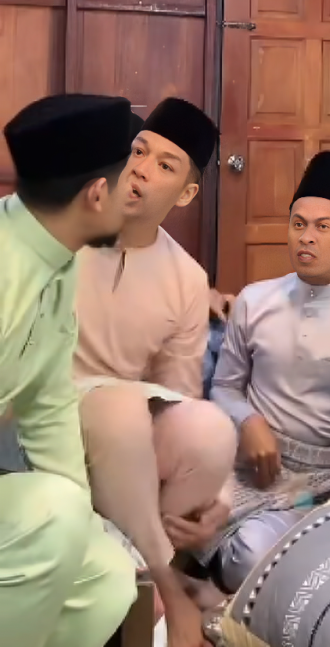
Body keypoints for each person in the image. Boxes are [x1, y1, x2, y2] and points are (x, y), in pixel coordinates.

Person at [73, 97, 237, 647]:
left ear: (186, 194)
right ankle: (160, 580)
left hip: (121, 448)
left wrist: (218, 493)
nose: (141, 168)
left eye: (165, 165)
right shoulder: (62, 228)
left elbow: (178, 397)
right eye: (138, 151)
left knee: (207, 433)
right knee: (119, 411)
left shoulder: (187, 279)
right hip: (35, 425)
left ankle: (140, 566)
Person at [210, 150, 330, 593]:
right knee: (243, 555)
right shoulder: (254, 301)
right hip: (258, 475)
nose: (307, 237)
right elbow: (224, 388)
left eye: (323, 227)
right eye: (298, 224)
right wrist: (250, 421)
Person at [0, 93, 137, 647]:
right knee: (52, 516)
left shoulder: (55, 263)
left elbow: (48, 405)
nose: (134, 196)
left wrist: (83, 521)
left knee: (107, 577)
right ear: (97, 194)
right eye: (128, 182)